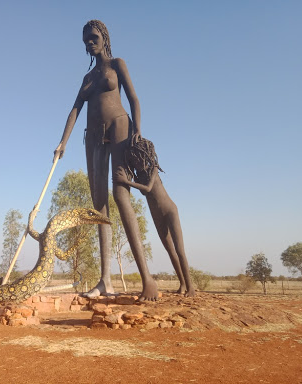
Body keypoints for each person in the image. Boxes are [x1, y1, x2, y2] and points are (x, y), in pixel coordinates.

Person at [54, 20, 159, 301]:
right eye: (86, 40)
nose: (90, 42)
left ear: (104, 37)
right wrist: (62, 142)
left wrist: (137, 128)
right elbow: (75, 110)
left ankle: (148, 279)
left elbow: (134, 99)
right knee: (99, 204)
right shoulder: (87, 79)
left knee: (120, 193)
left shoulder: (117, 64)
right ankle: (105, 281)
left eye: (94, 37)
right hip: (93, 137)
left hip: (120, 127)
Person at [115, 138, 195, 297]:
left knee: (179, 250)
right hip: (156, 213)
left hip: (170, 211)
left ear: (145, 154)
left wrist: (126, 181)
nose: (136, 161)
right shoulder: (139, 174)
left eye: (137, 156)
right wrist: (130, 176)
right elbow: (145, 192)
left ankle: (190, 287)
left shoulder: (154, 169)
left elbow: (148, 188)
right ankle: (182, 284)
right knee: (169, 250)